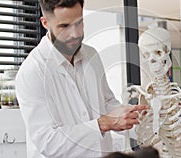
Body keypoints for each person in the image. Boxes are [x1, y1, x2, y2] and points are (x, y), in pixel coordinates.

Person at [15, 0, 147, 157]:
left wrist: (134, 117)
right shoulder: (32, 72)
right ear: (45, 23)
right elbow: (49, 142)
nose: (75, 33)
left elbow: (107, 104)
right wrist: (104, 124)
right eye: (65, 26)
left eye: (79, 23)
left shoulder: (91, 55)